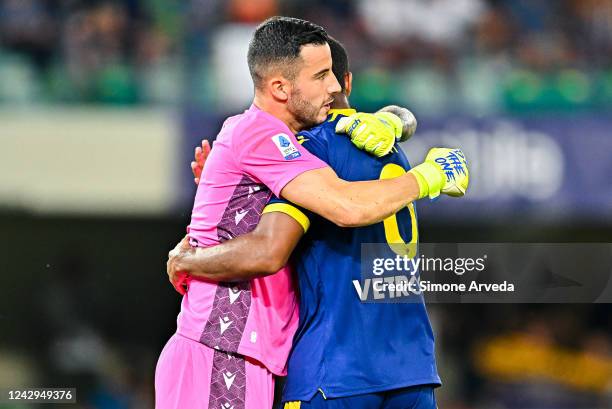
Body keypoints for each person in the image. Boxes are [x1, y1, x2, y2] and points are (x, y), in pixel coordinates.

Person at [156, 16, 466, 409]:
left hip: (256, 354)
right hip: (222, 344)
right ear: (280, 87)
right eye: (321, 76)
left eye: (334, 76)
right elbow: (341, 209)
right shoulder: (263, 134)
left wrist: (395, 119)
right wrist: (431, 175)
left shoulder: (289, 144)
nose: (334, 86)